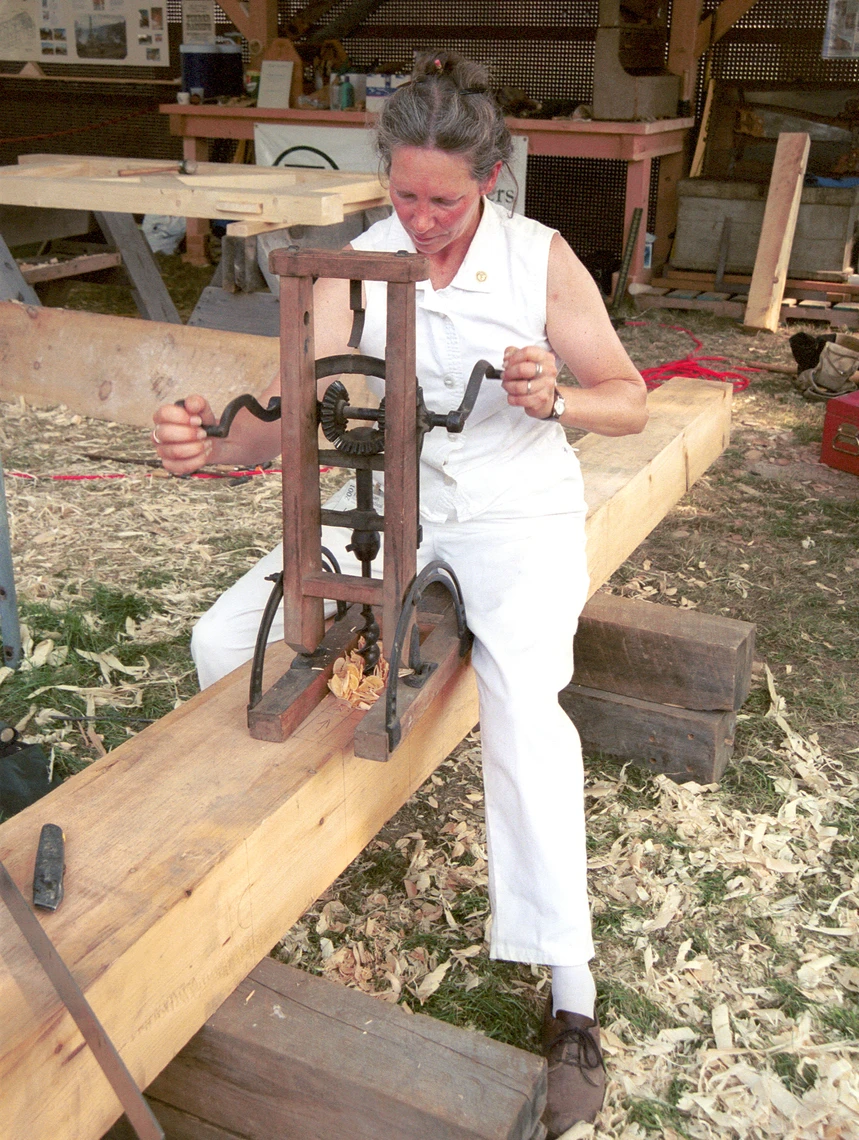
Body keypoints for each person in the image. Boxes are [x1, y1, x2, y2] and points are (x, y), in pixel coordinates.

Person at [152, 52, 648, 1136]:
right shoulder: (356, 263)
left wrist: (557, 395)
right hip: (397, 499)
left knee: (524, 701)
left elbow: (630, 400)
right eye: (403, 193)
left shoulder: (537, 259)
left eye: (444, 199)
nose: (420, 220)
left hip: (515, 514)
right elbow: (297, 414)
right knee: (226, 638)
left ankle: (572, 999)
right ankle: (273, 874)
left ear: (492, 176)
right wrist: (216, 447)